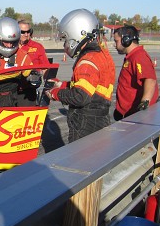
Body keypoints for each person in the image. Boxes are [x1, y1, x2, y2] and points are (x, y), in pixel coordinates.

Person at [45, 8, 116, 143]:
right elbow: (90, 86)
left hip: (86, 122)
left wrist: (55, 93)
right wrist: (62, 85)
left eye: (65, 39)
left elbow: (80, 97)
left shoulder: (87, 61)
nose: (65, 44)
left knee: (80, 155)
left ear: (75, 34)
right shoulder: (101, 54)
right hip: (100, 117)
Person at [113, 24, 159, 121]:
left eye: (116, 41)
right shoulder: (132, 56)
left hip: (135, 117)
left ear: (126, 40)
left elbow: (150, 79)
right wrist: (120, 110)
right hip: (128, 114)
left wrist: (144, 104)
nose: (114, 45)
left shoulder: (139, 56)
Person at [17, 19, 51, 106]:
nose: (26, 34)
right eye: (23, 32)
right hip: (10, 90)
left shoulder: (37, 47)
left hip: (28, 91)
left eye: (28, 31)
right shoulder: (9, 46)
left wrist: (49, 86)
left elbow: (46, 69)